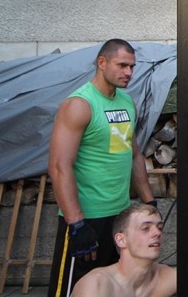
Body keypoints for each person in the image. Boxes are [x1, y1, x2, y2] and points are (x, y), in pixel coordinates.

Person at [48, 39, 156, 297]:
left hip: (119, 216)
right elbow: (59, 166)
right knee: (73, 290)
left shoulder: (126, 101)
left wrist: (149, 202)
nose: (128, 73)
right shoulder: (79, 104)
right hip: (87, 218)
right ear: (102, 63)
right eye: (122, 65)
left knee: (112, 289)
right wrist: (77, 224)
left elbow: (134, 154)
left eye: (131, 66)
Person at [71, 203, 188, 297]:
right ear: (121, 239)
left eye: (159, 227)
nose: (157, 233)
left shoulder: (166, 277)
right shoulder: (96, 285)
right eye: (146, 228)